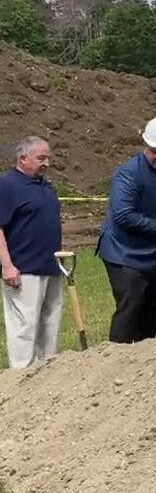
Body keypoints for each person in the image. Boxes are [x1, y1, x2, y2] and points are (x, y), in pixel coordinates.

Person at [96, 117, 156, 343]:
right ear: (144, 145)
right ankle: (116, 360)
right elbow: (123, 215)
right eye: (154, 151)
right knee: (130, 312)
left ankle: (142, 364)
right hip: (124, 253)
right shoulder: (127, 174)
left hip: (150, 253)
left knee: (150, 314)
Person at [0, 137, 63, 368]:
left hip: (51, 266)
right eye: (41, 158)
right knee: (24, 326)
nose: (46, 163)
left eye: (47, 158)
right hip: (23, 269)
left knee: (51, 322)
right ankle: (21, 377)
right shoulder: (8, 185)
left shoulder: (44, 185)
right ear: (23, 158)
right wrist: (7, 265)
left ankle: (48, 373)